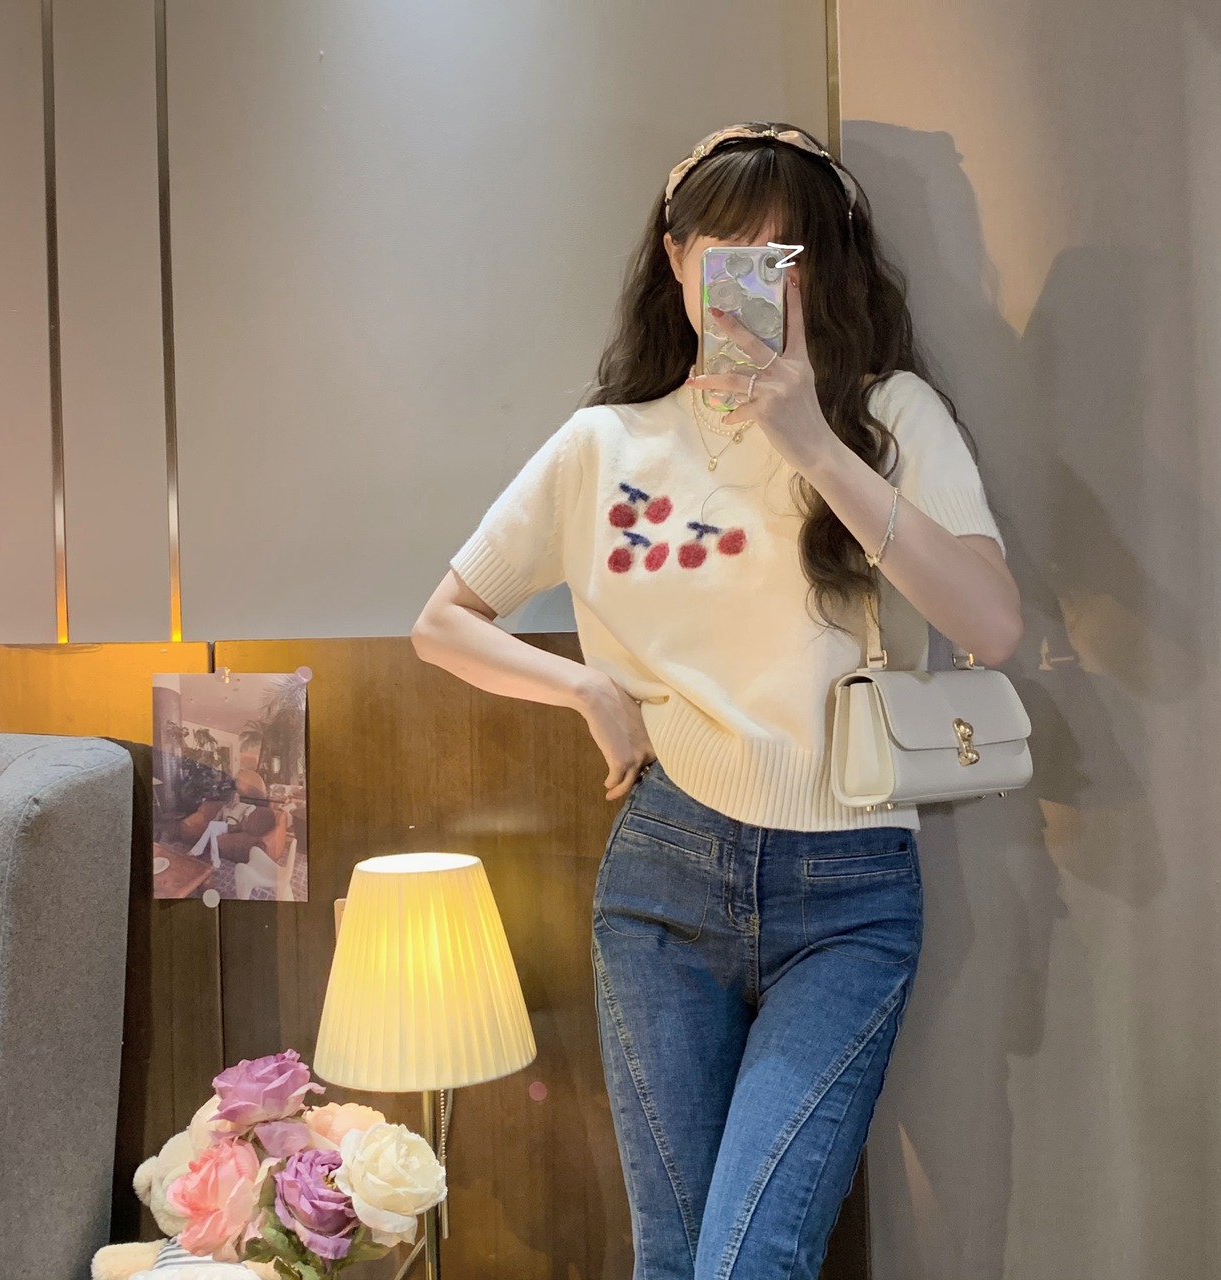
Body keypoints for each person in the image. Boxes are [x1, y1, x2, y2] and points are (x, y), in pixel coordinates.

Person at [411, 121, 1022, 1280]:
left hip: (848, 888)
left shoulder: (888, 415)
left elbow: (991, 624)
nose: (753, 280)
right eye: (727, 250)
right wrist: (586, 688)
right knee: (673, 1256)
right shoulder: (602, 444)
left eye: (784, 255)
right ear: (676, 257)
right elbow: (440, 621)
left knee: (749, 1259)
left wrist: (813, 443)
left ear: (822, 269)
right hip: (663, 872)